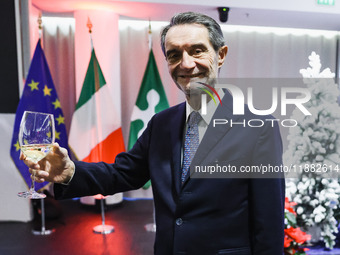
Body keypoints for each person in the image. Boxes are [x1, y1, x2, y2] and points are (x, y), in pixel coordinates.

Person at [22, 12, 285, 255]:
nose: (186, 64)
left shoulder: (259, 128)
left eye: (197, 51)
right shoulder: (162, 123)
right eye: (174, 54)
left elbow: (269, 224)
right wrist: (70, 173)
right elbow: (123, 173)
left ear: (221, 54)